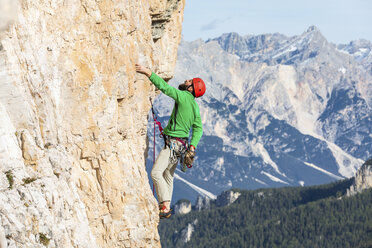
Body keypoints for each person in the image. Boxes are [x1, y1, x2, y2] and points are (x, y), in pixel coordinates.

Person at [135, 64, 205, 219]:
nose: (186, 80)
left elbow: (166, 89)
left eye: (189, 81)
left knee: (156, 173)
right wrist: (192, 147)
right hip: (182, 146)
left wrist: (149, 73)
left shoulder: (184, 96)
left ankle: (165, 206)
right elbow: (198, 129)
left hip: (172, 144)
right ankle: (166, 204)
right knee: (168, 175)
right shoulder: (195, 106)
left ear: (191, 89)